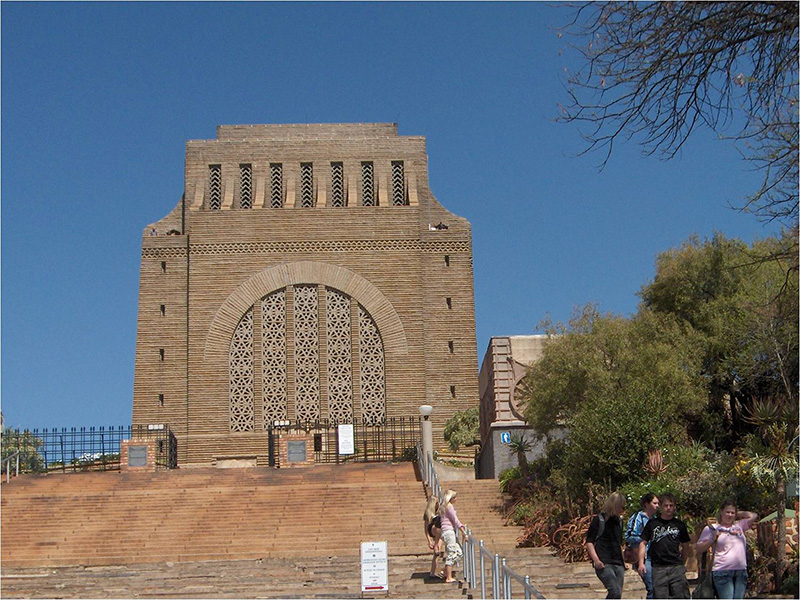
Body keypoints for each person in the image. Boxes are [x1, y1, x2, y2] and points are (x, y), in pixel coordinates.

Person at [695, 500, 758, 599]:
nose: (730, 515)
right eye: (727, 512)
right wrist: (712, 539)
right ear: (721, 512)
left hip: (740, 571)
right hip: (722, 571)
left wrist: (737, 514)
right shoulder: (712, 528)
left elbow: (754, 515)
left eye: (732, 513)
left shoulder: (739, 526)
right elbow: (699, 548)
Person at [638, 493, 691, 599]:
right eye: (666, 505)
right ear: (661, 507)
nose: (668, 508)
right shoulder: (652, 524)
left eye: (671, 505)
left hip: (675, 567)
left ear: (674, 507)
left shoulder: (679, 525)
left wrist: (682, 562)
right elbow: (642, 543)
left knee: (680, 595)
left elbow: (686, 546)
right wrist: (641, 563)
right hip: (658, 568)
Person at [586, 491, 627, 599]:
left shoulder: (619, 522)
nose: (622, 510)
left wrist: (623, 561)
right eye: (620, 507)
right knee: (614, 591)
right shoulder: (599, 520)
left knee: (618, 594)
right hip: (604, 562)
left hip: (618, 563)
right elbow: (589, 542)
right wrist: (596, 560)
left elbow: (618, 543)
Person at [625, 493, 659, 599]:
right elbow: (629, 536)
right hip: (643, 558)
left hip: (656, 557)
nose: (657, 506)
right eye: (654, 503)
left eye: (658, 503)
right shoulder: (637, 518)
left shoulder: (656, 519)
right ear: (646, 504)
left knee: (658, 588)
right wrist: (645, 541)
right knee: (652, 588)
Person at [439, 489, 466, 583]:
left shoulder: (444, 507)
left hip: (447, 531)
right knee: (452, 553)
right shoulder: (448, 507)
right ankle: (448, 577)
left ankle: (445, 570)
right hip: (448, 531)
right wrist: (463, 532)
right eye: (455, 497)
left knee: (459, 552)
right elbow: (455, 520)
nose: (456, 499)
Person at [423, 496, 443, 579]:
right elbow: (426, 529)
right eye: (437, 503)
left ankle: (433, 571)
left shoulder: (439, 512)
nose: (438, 504)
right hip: (433, 530)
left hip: (440, 532)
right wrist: (429, 541)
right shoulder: (428, 514)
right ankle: (436, 546)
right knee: (438, 528)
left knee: (437, 553)